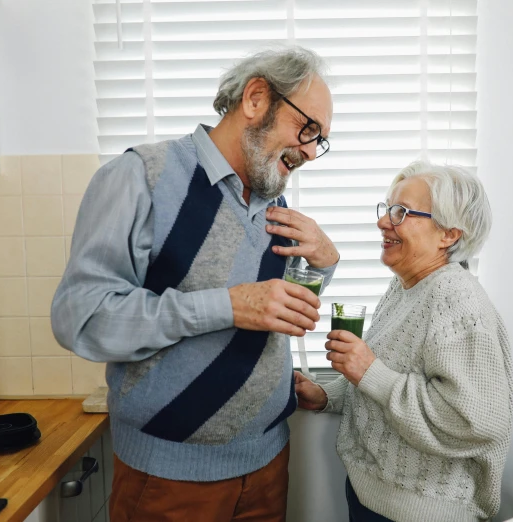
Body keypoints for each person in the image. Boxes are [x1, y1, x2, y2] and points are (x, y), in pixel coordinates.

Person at [51, 46, 338, 522]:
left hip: (268, 464)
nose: (310, 150)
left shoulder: (274, 204)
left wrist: (324, 265)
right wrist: (224, 306)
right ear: (256, 99)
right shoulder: (140, 176)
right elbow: (80, 317)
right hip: (168, 481)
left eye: (320, 140)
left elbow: (274, 312)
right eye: (307, 129)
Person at [295, 161, 513, 522]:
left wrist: (368, 370)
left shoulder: (457, 300)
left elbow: (478, 422)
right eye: (387, 209)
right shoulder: (405, 285)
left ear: (449, 235)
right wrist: (327, 396)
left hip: (422, 511)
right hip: (375, 493)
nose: (384, 222)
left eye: (401, 213)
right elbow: (387, 376)